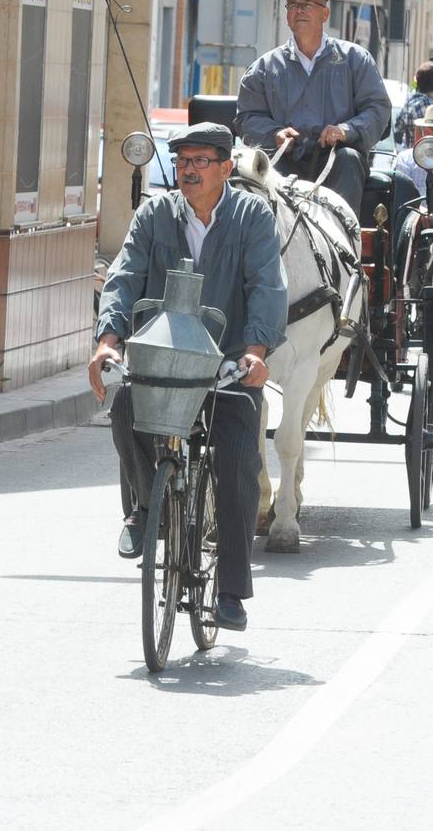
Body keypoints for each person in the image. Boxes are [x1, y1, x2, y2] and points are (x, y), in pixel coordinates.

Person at [89, 122, 286, 634]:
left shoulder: (252, 216)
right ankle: (145, 507)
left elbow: (267, 285)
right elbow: (126, 274)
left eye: (202, 161)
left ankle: (230, 593)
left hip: (228, 368)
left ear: (226, 168)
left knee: (241, 464)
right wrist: (108, 341)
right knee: (125, 405)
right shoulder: (156, 213)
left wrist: (257, 353)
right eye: (182, 162)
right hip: (162, 363)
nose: (190, 170)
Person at [236, 0, 392, 215]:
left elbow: (378, 109)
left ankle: (344, 241)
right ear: (287, 16)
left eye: (307, 4)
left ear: (325, 13)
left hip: (336, 159)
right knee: (255, 170)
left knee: (349, 158)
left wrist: (346, 130)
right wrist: (274, 134)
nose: (299, 10)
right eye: (293, 5)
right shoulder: (264, 68)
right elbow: (246, 118)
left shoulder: (355, 59)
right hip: (284, 158)